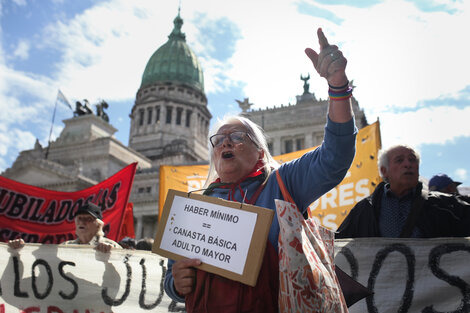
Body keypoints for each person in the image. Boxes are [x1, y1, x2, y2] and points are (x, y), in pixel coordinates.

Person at [164, 27, 357, 312]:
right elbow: (172, 280)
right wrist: (176, 283)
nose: (226, 142)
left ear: (260, 151)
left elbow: (335, 156)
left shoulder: (283, 183)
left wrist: (338, 85)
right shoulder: (192, 206)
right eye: (219, 139)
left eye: (238, 137)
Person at [336, 145, 470, 238]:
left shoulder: (444, 205)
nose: (408, 164)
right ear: (384, 171)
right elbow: (339, 246)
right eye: (399, 160)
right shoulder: (364, 210)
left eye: (412, 160)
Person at [9, 202, 121, 253]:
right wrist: (19, 250)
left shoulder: (112, 246)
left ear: (98, 224)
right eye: (79, 218)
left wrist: (112, 254)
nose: (82, 222)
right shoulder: (65, 247)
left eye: (88, 219)